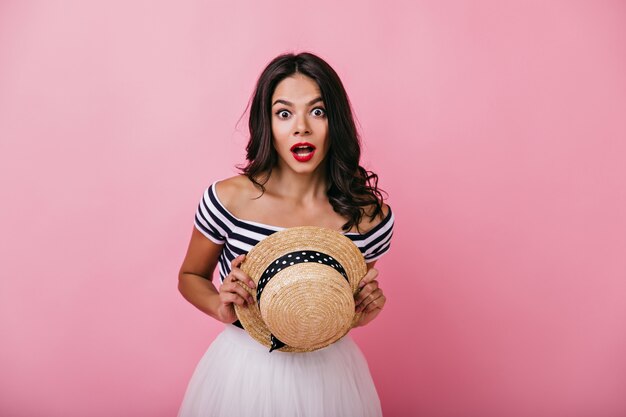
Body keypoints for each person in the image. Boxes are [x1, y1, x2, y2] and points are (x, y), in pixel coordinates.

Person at [177, 52, 395, 417]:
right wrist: (220, 305)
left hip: (331, 379)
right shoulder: (228, 199)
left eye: (317, 111)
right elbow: (190, 276)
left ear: (335, 122)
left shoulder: (370, 218)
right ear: (267, 124)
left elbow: (342, 304)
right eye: (284, 113)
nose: (301, 127)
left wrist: (362, 311)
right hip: (245, 373)